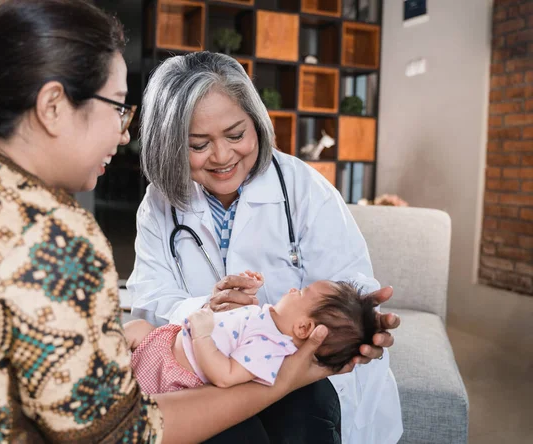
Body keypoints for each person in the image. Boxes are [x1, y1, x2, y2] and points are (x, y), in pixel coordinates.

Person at [0, 1, 337, 443]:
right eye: (117, 108)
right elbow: (120, 433)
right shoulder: (46, 232)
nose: (124, 133)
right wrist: (282, 380)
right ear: (52, 106)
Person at [128, 50, 403, 443]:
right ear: (169, 144)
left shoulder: (303, 189)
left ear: (256, 122)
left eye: (236, 135)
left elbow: (345, 283)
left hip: (299, 373)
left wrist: (360, 319)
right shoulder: (159, 204)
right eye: (198, 144)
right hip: (201, 375)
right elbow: (149, 295)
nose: (222, 157)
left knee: (303, 419)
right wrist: (205, 309)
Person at [125, 277, 378, 394]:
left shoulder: (271, 348)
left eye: (301, 292)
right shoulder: (267, 322)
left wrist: (202, 337)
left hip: (169, 370)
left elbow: (226, 376)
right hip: (165, 341)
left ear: (303, 328)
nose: (292, 288)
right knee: (135, 328)